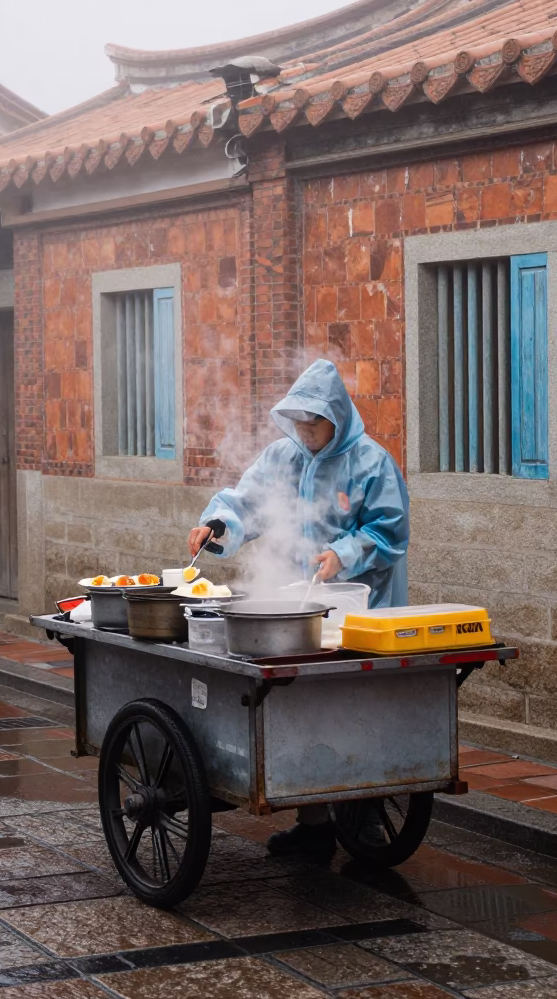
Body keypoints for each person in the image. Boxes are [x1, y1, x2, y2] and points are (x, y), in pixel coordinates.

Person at [188, 358, 410, 856]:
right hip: (300, 609)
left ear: (337, 418)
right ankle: (314, 826)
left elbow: (390, 532)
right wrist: (217, 525)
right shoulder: (282, 458)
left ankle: (366, 816)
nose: (306, 433)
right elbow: (246, 503)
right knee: (303, 711)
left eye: (315, 424)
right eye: (299, 423)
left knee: (356, 711)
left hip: (362, 612)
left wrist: (343, 554)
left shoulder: (372, 463)